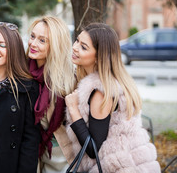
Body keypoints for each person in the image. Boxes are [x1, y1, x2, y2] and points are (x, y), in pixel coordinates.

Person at [0, 16, 76, 172]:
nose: (33, 43)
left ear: (55, 45)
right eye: (33, 36)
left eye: (42, 40)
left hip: (58, 154)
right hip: (32, 155)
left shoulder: (66, 80)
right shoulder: (24, 70)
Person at [65, 23, 160, 172]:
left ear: (98, 57)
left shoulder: (100, 92)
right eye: (77, 41)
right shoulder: (111, 82)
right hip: (132, 163)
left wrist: (73, 109)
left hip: (118, 167)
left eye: (83, 47)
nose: (75, 47)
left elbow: (93, 150)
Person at [0, 22, 40, 173]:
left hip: (8, 166)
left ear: (13, 50)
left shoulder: (26, 87)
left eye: (2, 45)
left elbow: (30, 141)